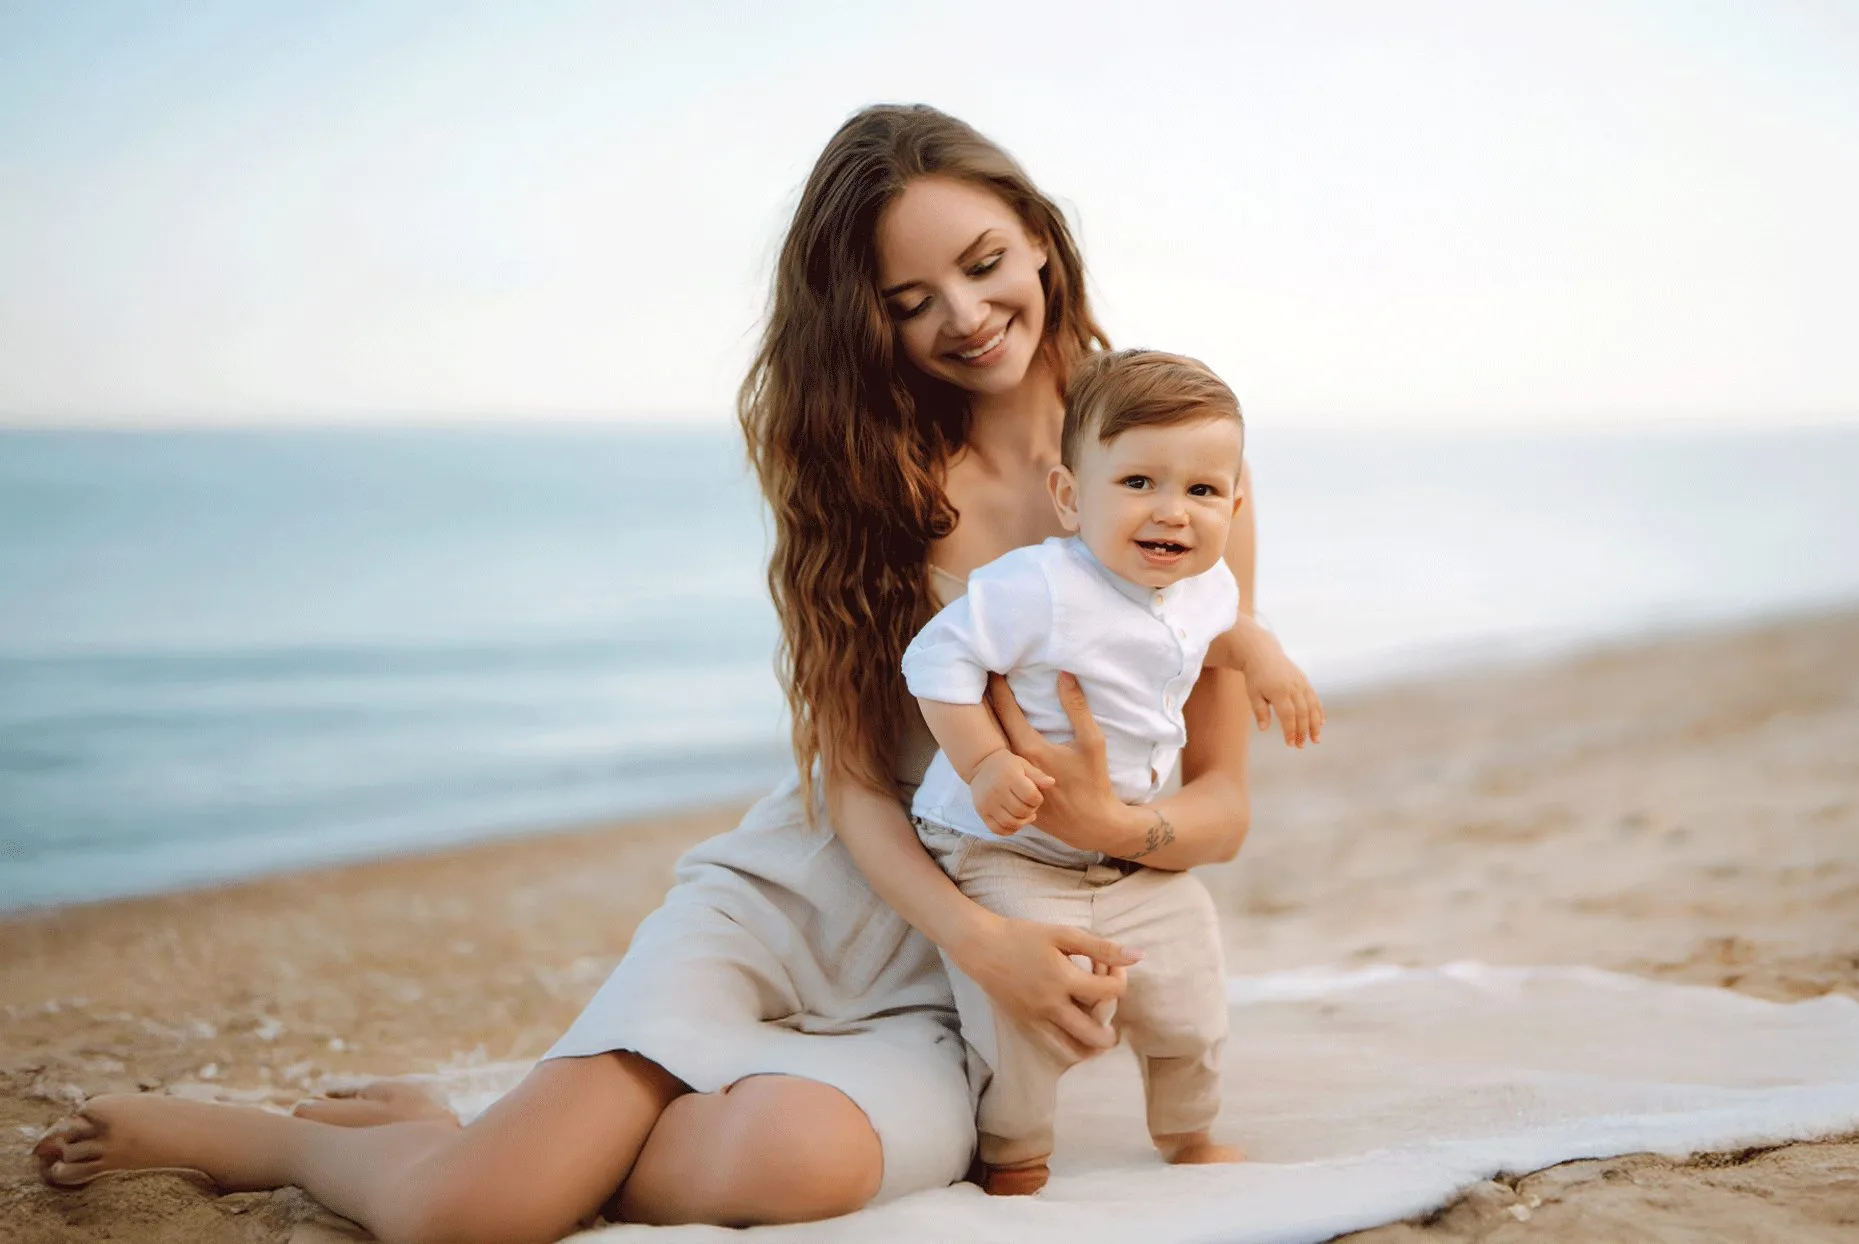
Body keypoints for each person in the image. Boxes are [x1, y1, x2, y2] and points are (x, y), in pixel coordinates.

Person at [33, 104, 1317, 1243]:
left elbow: (1220, 805)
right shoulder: (869, 473)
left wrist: (1113, 835)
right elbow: (857, 781)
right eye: (906, 298)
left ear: (1039, 235)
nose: (963, 316)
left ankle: (497, 1125)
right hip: (841, 892)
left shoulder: (1171, 469)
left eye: (982, 265)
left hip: (969, 974)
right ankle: (306, 1142)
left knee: (784, 1158)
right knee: (465, 1217)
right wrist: (983, 939)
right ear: (861, 319)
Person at [903, 348, 1315, 1194]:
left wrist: (1265, 655)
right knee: (1022, 1024)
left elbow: (1223, 631)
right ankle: (1015, 1153)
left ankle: (1188, 1131)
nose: (1172, 511)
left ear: (1232, 505)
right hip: (1001, 842)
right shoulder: (1037, 586)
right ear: (1069, 496)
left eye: (1202, 491)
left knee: (1192, 989)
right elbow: (934, 662)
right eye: (1138, 483)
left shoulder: (1203, 588)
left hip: (1123, 856)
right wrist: (983, 764)